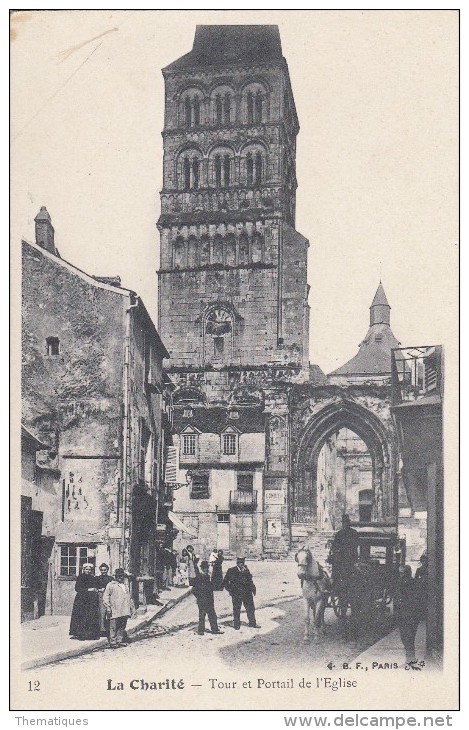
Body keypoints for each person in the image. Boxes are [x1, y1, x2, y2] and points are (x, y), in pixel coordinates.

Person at [222, 555, 260, 630]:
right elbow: (225, 582)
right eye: (240, 563)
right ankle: (237, 625)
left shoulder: (246, 570)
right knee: (237, 609)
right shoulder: (232, 570)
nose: (241, 564)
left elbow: (250, 580)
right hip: (237, 594)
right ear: (237, 563)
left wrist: (253, 589)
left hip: (247, 593)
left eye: (242, 562)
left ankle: (252, 623)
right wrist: (231, 590)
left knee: (250, 608)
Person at [395, 565, 421, 666]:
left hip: (410, 613)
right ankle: (410, 657)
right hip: (404, 613)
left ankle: (410, 658)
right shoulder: (400, 582)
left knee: (408, 636)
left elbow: (416, 598)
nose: (401, 575)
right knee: (406, 636)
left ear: (407, 573)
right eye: (400, 573)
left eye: (402, 573)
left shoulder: (413, 583)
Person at [102, 568, 134, 649]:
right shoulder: (110, 585)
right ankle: (113, 642)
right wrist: (108, 607)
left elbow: (128, 597)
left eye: (121, 576)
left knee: (122, 626)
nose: (120, 577)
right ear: (115, 576)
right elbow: (105, 597)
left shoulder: (125, 585)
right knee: (113, 626)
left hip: (124, 609)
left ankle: (119, 641)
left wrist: (131, 607)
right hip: (114, 609)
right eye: (118, 576)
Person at [69, 563, 100, 640]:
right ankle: (80, 634)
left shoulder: (93, 578)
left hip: (90, 600)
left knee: (90, 616)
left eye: (90, 569)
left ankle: (90, 634)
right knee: (81, 616)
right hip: (81, 600)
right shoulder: (80, 577)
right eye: (86, 569)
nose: (88, 571)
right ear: (83, 570)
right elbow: (77, 589)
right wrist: (88, 589)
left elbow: (96, 587)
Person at [192, 560, 223, 635]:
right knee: (202, 615)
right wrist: (199, 597)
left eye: (207, 568)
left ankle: (215, 629)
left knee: (212, 615)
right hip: (202, 600)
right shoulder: (199, 577)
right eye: (205, 568)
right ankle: (201, 630)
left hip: (209, 599)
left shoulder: (207, 576)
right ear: (202, 568)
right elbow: (194, 589)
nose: (206, 569)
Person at [329, 514, 360, 587]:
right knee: (335, 568)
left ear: (348, 523)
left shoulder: (354, 533)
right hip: (342, 558)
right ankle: (333, 583)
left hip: (350, 558)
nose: (345, 524)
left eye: (346, 522)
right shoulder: (339, 534)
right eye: (344, 523)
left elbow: (355, 545)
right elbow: (335, 545)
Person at [95, 563, 113, 637]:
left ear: (107, 570)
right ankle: (102, 630)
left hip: (110, 596)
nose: (103, 571)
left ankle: (109, 629)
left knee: (109, 613)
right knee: (102, 613)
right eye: (102, 570)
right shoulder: (97, 578)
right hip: (101, 596)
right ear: (100, 570)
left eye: (105, 570)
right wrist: (99, 589)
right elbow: (95, 587)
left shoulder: (111, 579)